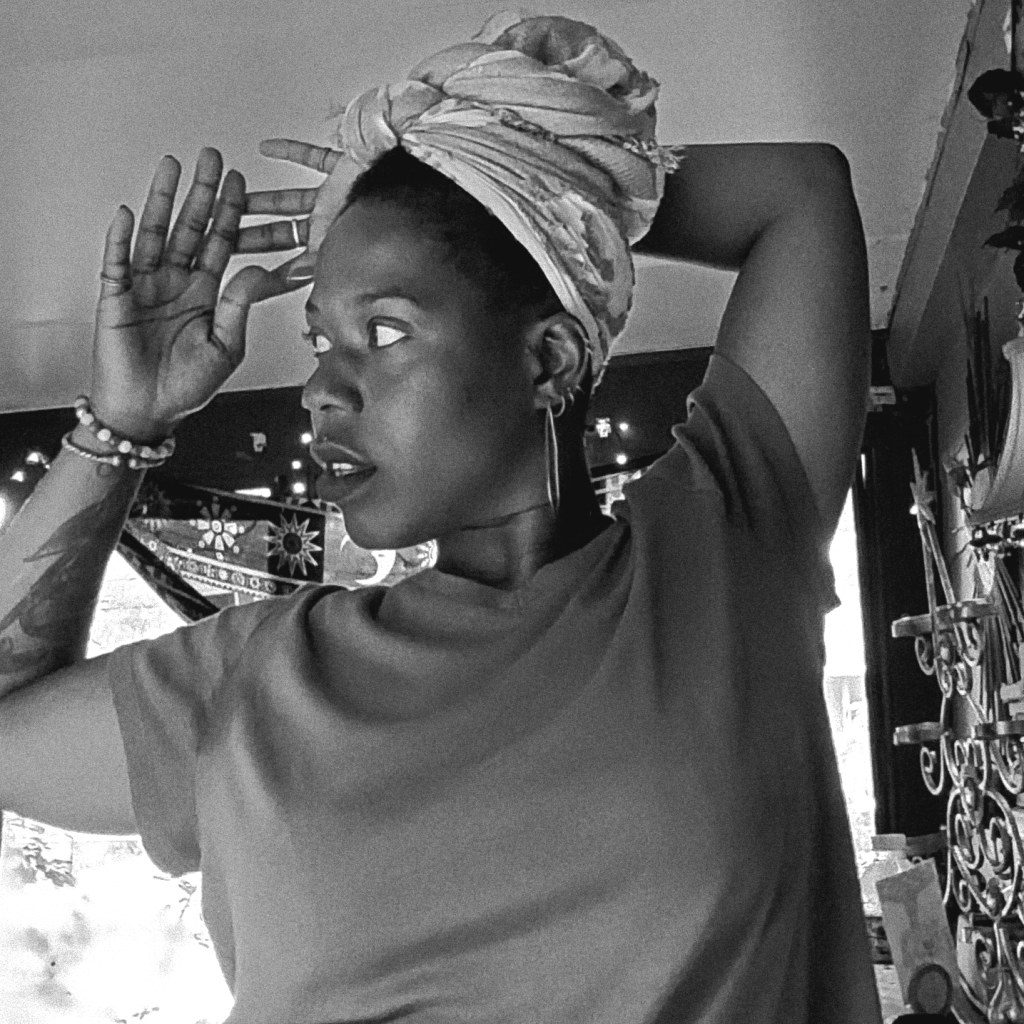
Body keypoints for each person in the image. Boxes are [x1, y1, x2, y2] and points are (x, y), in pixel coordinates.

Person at [0, 12, 881, 1024]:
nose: (322, 388)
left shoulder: (720, 552)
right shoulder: (259, 680)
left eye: (383, 329)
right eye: (321, 340)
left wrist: (509, 165)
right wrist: (118, 426)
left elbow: (801, 197)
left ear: (546, 360)